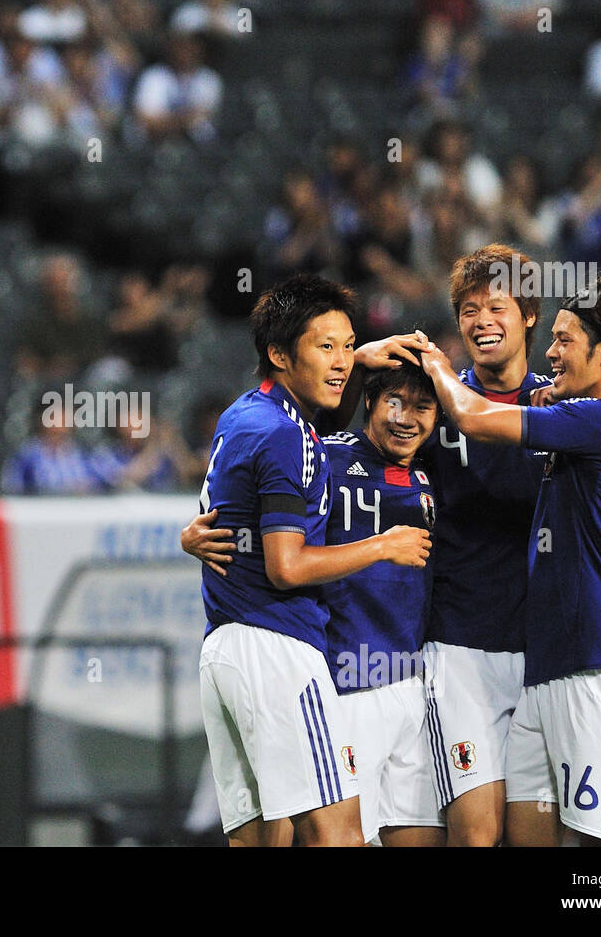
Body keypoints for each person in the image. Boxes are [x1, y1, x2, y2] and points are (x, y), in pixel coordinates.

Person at [419, 267, 601, 846]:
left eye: (564, 341)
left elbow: (471, 416)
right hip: (546, 674)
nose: (552, 354)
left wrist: (433, 362)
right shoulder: (590, 423)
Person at [192, 273, 431, 846]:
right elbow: (287, 566)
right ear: (279, 353)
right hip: (277, 647)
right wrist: (385, 544)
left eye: (348, 346)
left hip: (222, 647)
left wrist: (189, 537)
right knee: (339, 834)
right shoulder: (284, 436)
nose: (343, 361)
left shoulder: (242, 417)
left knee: (258, 837)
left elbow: (217, 516)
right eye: (326, 347)